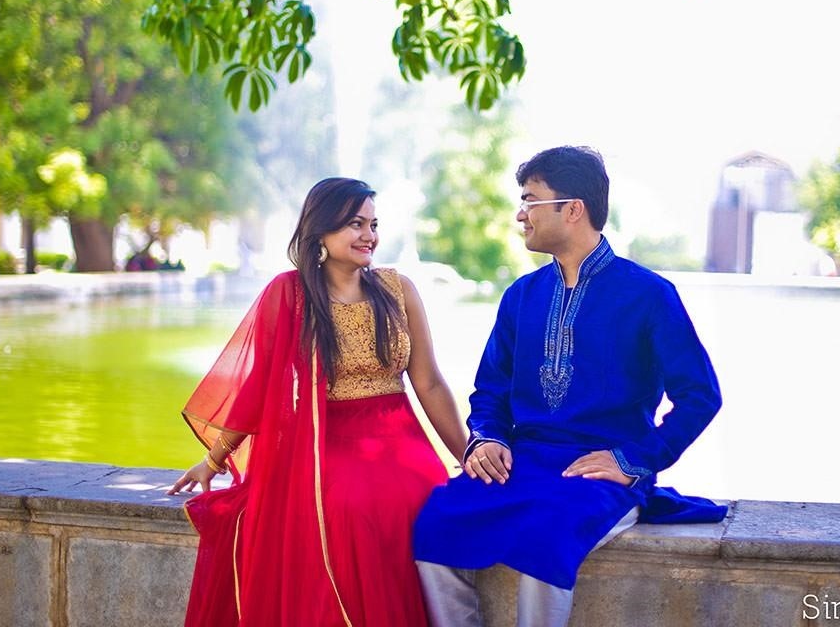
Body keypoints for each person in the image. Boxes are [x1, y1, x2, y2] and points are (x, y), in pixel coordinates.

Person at [413, 146, 725, 627]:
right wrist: (488, 437)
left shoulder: (648, 295)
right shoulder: (523, 296)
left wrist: (634, 460)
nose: (520, 215)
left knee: (546, 537)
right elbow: (490, 391)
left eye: (530, 200)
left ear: (572, 208)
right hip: (523, 461)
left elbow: (701, 396)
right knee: (435, 523)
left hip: (598, 472)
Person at [169, 177, 467, 627]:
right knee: (350, 512)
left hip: (402, 442)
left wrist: (469, 454)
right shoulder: (289, 295)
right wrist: (213, 461)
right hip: (330, 445)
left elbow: (429, 383)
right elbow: (256, 389)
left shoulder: (397, 288)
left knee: (426, 503)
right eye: (355, 224)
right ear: (321, 231)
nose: (369, 235)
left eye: (373, 224)